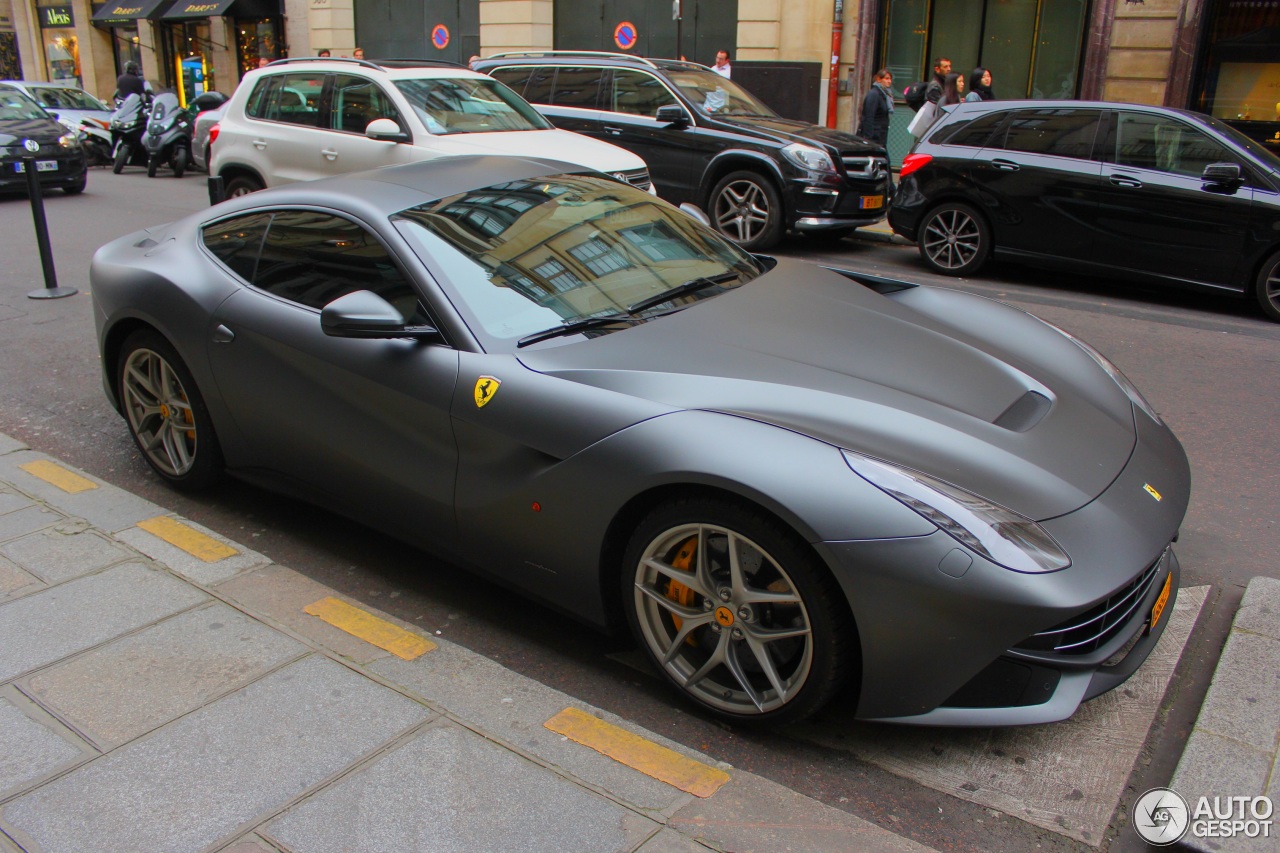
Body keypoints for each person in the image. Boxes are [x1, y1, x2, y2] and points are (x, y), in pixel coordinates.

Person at [856, 68, 893, 146]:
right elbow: (868, 116)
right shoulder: (874, 94)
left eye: (890, 79)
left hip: (880, 137)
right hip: (874, 138)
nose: (889, 81)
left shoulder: (884, 94)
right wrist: (868, 139)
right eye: (886, 78)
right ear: (879, 79)